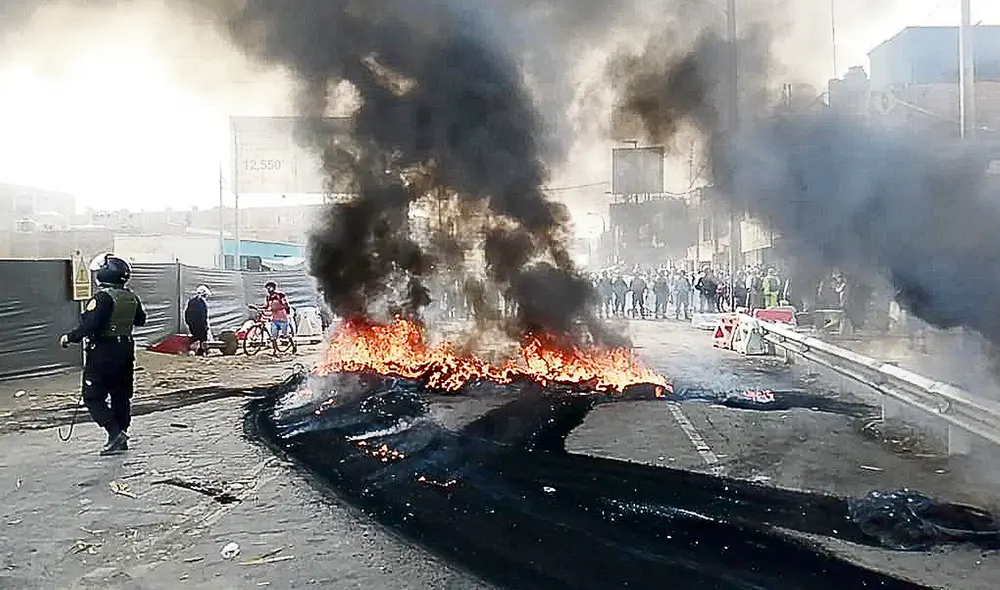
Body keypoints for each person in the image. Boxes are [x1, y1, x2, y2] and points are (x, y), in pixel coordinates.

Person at [60, 254, 146, 456]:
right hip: (125, 350)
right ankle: (121, 435)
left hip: (103, 351)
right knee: (121, 396)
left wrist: (69, 337)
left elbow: (91, 324)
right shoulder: (131, 297)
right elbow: (141, 320)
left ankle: (115, 434)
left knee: (92, 396)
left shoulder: (102, 298)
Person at [264, 281, 294, 352]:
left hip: (282, 318)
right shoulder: (268, 298)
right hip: (274, 319)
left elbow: (286, 305)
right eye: (267, 289)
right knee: (273, 336)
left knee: (285, 334)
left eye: (270, 288)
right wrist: (259, 308)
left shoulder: (280, 295)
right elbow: (267, 306)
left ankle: (293, 345)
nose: (268, 290)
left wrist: (288, 314)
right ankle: (275, 350)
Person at [185, 285, 211, 356]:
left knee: (196, 336)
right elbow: (203, 315)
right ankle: (201, 351)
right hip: (200, 324)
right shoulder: (201, 302)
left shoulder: (192, 301)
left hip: (192, 324)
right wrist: (205, 325)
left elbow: (187, 313)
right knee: (202, 337)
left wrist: (189, 322)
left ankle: (197, 350)